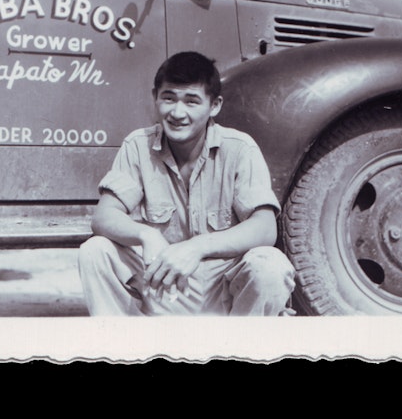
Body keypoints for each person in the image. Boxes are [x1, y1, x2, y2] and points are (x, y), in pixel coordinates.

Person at [78, 51, 295, 315]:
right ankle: (124, 351)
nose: (177, 113)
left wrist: (196, 248)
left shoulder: (240, 149)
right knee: (96, 251)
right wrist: (147, 235)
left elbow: (264, 228)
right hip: (161, 290)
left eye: (191, 101)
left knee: (270, 265)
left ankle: (241, 350)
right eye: (169, 98)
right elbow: (103, 217)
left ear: (214, 105)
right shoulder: (137, 145)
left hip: (223, 295)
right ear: (155, 98)